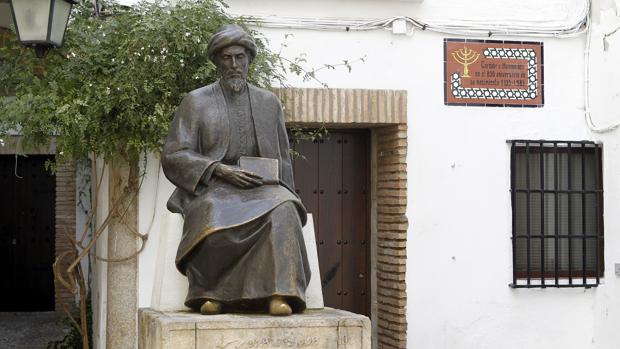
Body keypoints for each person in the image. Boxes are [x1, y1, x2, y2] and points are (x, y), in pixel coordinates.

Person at [161, 24, 310, 316]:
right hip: (213, 185)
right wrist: (218, 170)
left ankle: (280, 293)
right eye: (227, 58)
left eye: (239, 57)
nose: (233, 65)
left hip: (260, 187)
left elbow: (282, 156)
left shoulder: (268, 103)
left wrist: (288, 192)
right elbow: (174, 153)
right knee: (212, 213)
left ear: (249, 60)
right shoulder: (196, 101)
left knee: (284, 209)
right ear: (217, 61)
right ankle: (211, 293)